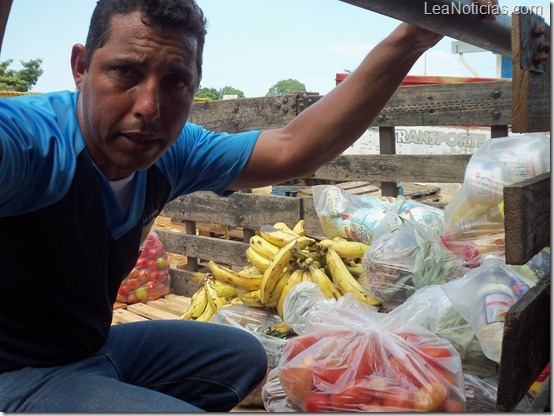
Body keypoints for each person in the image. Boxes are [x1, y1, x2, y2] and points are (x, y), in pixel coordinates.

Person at [0, 0, 498, 412]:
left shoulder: (172, 154)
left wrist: (414, 35)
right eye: (125, 72)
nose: (149, 107)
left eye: (175, 81)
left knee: (240, 354)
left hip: (86, 351)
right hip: (14, 375)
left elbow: (291, 147)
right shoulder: (27, 146)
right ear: (81, 67)